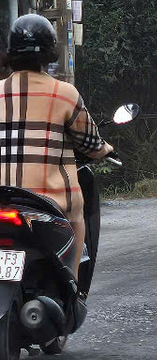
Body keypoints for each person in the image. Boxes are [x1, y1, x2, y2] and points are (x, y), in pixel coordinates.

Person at [0, 14, 113, 279]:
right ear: (51, 52)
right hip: (50, 205)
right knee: (77, 216)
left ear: (11, 52)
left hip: (2, 198)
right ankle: (71, 284)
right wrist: (106, 150)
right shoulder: (64, 93)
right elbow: (92, 145)